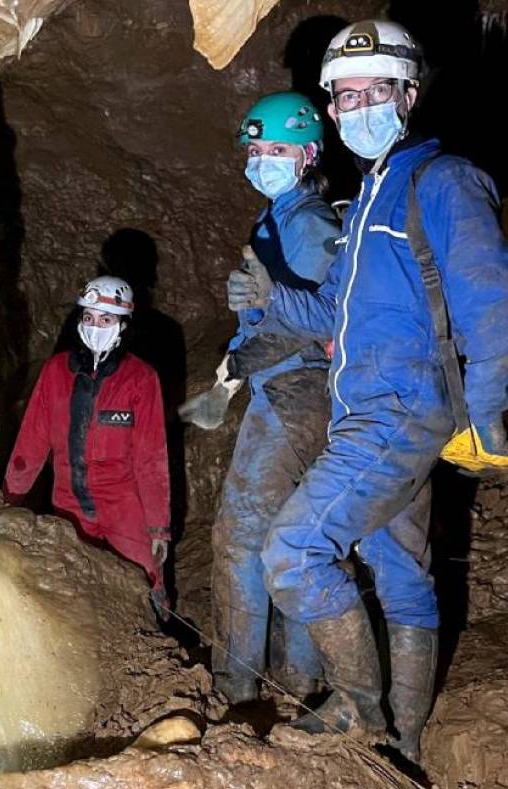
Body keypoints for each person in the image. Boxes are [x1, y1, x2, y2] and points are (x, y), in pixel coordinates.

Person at [231, 19, 508, 763]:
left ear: (409, 94)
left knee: (295, 549)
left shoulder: (443, 180)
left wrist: (492, 412)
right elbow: (333, 310)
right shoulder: (366, 201)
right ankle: (407, 740)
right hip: (367, 407)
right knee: (400, 569)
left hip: (399, 407)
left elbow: (494, 299)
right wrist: (272, 298)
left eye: (377, 90)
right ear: (330, 111)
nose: (359, 106)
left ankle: (358, 708)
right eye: (345, 95)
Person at [181, 91, 341, 706]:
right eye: (255, 150)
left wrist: (237, 366)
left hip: (299, 393)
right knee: (283, 537)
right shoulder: (277, 218)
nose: (262, 159)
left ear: (307, 154)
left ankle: (238, 684)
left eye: (276, 149)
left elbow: (319, 319)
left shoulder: (309, 222)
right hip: (284, 388)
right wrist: (232, 362)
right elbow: (266, 316)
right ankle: (293, 680)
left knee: (244, 537)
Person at [4, 277, 172, 616]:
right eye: (89, 318)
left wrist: (158, 527)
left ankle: (160, 638)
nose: (95, 326)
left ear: (123, 325)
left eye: (106, 320)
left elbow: (151, 457)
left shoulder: (140, 378)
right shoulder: (55, 372)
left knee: (146, 579)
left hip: (123, 502)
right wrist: (10, 497)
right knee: (76, 585)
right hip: (68, 501)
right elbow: (32, 441)